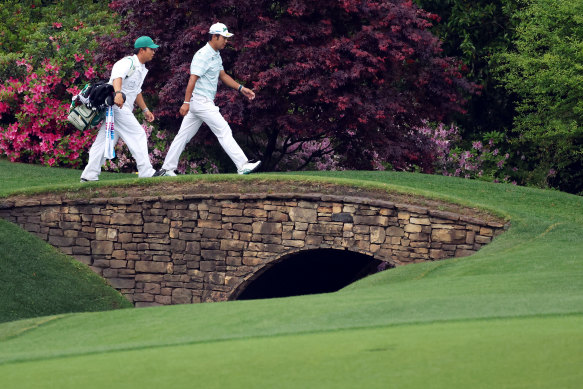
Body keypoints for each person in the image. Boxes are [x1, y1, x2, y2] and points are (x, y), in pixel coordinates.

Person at [154, 23, 261, 177]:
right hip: (201, 102)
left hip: (200, 103)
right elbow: (192, 79)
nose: (226, 41)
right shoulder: (203, 54)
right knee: (224, 130)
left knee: (183, 135)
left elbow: (222, 75)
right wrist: (186, 102)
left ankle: (166, 169)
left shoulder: (215, 54)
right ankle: (243, 165)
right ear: (214, 37)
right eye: (224, 38)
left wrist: (241, 88)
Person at [80, 36, 159, 182]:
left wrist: (145, 110)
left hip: (120, 109)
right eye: (151, 49)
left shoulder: (141, 68)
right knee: (138, 134)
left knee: (103, 141)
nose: (154, 52)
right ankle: (146, 171)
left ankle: (89, 175)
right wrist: (117, 94)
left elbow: (137, 91)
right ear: (142, 50)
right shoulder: (127, 63)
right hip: (117, 107)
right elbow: (117, 78)